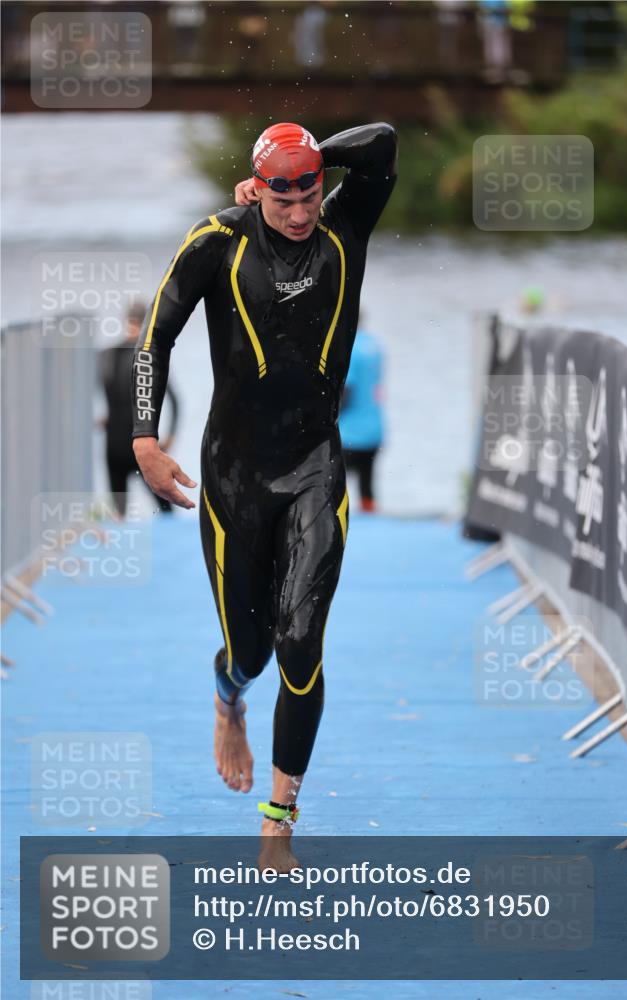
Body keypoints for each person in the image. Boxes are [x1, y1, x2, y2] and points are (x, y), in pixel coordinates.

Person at [131, 121, 397, 869]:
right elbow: (155, 337)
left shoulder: (346, 223)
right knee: (247, 652)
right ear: (258, 190)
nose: (299, 209)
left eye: (308, 190)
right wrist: (144, 439)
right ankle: (227, 701)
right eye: (282, 194)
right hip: (234, 477)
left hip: (314, 464)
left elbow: (379, 142)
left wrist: (308, 157)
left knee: (301, 644)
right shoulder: (219, 238)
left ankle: (278, 814)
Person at [99, 301, 179, 517]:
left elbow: (98, 388)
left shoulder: (107, 355)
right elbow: (174, 400)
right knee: (166, 508)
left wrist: (104, 417)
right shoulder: (150, 357)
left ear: (127, 322)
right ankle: (168, 546)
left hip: (114, 443)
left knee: (119, 511)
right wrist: (171, 435)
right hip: (141, 444)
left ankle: (120, 548)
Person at [339, 321, 385, 512]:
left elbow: (347, 391)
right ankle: (370, 511)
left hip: (351, 432)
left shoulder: (349, 347)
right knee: (367, 483)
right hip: (374, 428)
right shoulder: (374, 345)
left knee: (335, 484)